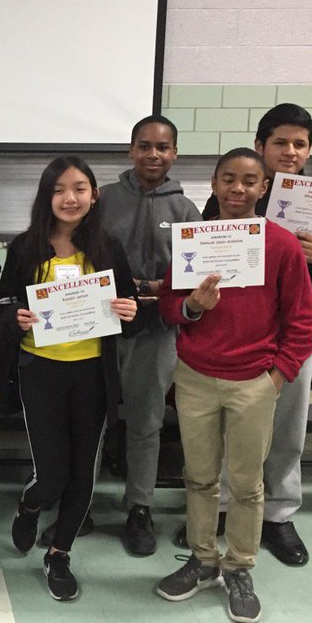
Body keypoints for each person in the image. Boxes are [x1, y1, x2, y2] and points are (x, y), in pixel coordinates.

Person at [155, 148, 312, 623]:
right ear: (213, 182)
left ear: (264, 188)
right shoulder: (195, 242)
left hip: (254, 382)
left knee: (246, 484)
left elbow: (303, 323)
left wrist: (276, 377)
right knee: (200, 477)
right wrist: (194, 307)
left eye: (249, 181)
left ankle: (239, 566)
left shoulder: (283, 245)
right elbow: (169, 307)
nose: (238, 189)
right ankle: (203, 559)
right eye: (229, 179)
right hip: (197, 377)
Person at [199, 104, 312, 566]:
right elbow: (208, 252)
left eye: (300, 144)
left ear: (309, 150)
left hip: (293, 336)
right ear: (260, 146)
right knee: (236, 427)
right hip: (238, 333)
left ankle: (279, 516)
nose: (290, 152)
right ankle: (229, 507)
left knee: (288, 428)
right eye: (281, 143)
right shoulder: (233, 195)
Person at [0, 157, 138, 601]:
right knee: (52, 473)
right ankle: (31, 503)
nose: (69, 198)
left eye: (80, 188)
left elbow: (128, 305)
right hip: (41, 371)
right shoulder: (24, 247)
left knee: (82, 475)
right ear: (46, 196)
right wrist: (11, 316)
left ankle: (59, 555)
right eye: (59, 189)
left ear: (95, 195)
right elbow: (1, 302)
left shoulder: (109, 248)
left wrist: (129, 311)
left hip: (91, 374)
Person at [98, 115, 201, 556]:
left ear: (174, 153)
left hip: (156, 332)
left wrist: (157, 289)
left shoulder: (186, 211)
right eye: (144, 146)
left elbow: (197, 274)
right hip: (99, 330)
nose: (153, 154)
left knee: (146, 422)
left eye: (162, 147)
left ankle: (139, 506)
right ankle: (79, 501)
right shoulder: (101, 199)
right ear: (131, 150)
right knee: (92, 420)